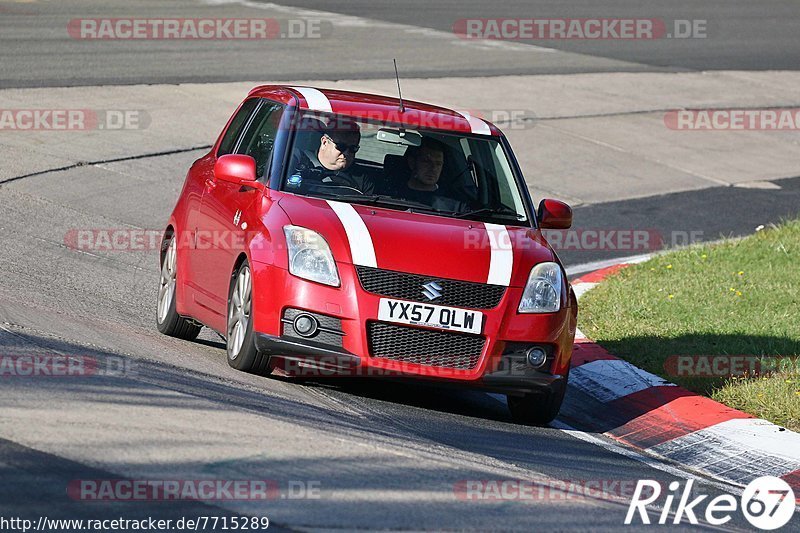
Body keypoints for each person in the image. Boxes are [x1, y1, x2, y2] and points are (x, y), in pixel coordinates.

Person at [288, 117, 375, 195]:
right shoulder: (296, 161)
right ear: (324, 142)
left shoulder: (362, 179)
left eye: (353, 148)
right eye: (341, 147)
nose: (347, 153)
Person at [389, 137, 468, 212]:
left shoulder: (455, 203)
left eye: (438, 163)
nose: (433, 168)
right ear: (412, 163)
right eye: (426, 161)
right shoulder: (389, 195)